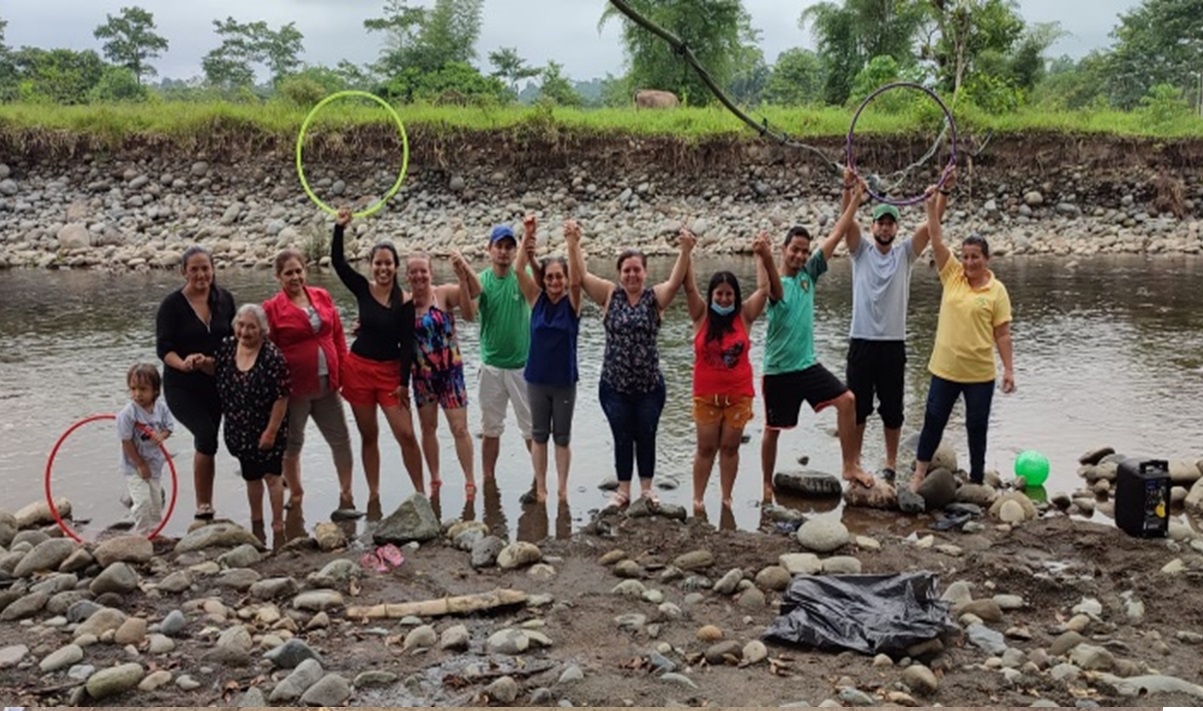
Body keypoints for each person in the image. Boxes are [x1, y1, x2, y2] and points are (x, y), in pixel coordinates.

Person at [760, 179, 872, 501]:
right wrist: (763, 256)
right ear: (784, 250)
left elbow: (837, 233)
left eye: (804, 251)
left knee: (847, 401)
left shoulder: (808, 276)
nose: (799, 255)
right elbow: (770, 285)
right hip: (779, 370)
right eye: (794, 249)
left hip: (807, 366)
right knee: (772, 430)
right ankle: (766, 484)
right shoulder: (774, 284)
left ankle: (849, 466)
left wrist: (853, 196)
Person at [843, 166, 950, 480]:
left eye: (891, 224)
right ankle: (855, 462)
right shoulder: (860, 251)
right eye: (881, 223)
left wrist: (942, 193)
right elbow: (845, 223)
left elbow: (932, 226)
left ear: (896, 228)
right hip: (861, 341)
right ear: (873, 226)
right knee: (858, 408)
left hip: (892, 343)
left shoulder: (904, 254)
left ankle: (890, 465)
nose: (886, 228)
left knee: (893, 409)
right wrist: (848, 189)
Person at [577, 225, 694, 509]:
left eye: (637, 270)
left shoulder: (655, 298)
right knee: (622, 435)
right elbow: (581, 276)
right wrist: (574, 243)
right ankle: (623, 490)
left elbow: (676, 282)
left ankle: (647, 489)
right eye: (627, 270)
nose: (632, 275)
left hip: (649, 386)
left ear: (645, 272)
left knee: (646, 434)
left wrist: (685, 250)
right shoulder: (609, 294)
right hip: (613, 385)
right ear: (619, 273)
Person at [910, 186, 1015, 493]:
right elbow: (936, 239)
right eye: (966, 256)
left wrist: (1009, 370)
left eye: (975, 257)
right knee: (933, 421)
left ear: (986, 259)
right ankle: (919, 474)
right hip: (945, 369)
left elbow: (1002, 334)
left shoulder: (997, 291)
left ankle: (977, 480)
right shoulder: (952, 275)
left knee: (976, 427)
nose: (969, 263)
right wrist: (931, 206)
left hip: (979, 374)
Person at [683, 231, 782, 516]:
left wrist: (761, 255)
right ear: (712, 295)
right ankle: (698, 499)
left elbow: (763, 289)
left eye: (729, 294)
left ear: (735, 296)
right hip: (706, 395)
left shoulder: (744, 315)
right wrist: (686, 251)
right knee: (705, 448)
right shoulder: (701, 314)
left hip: (738, 396)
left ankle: (726, 498)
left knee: (729, 448)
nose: (724, 299)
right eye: (719, 294)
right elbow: (689, 287)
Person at [331, 208, 424, 511]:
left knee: (407, 435)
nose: (383, 268)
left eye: (388, 263)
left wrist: (403, 383)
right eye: (378, 263)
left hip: (391, 374)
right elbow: (338, 262)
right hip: (358, 369)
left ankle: (421, 493)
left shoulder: (406, 301)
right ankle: (373, 495)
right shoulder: (363, 289)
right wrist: (339, 228)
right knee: (368, 435)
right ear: (371, 265)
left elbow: (408, 344)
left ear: (396, 267)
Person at [263, 248, 355, 518]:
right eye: (288, 273)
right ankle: (297, 493)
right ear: (278, 277)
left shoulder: (322, 296)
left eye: (299, 271)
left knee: (341, 440)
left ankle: (346, 492)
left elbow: (337, 335)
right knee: (293, 444)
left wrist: (344, 370)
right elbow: (268, 351)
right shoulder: (272, 308)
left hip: (328, 385)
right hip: (295, 390)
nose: (295, 277)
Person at [155, 245, 236, 520]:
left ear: (213, 269)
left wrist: (214, 363)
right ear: (184, 272)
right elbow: (164, 349)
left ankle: (259, 484)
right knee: (205, 434)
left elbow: (235, 338)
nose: (201, 275)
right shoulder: (171, 305)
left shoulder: (224, 299)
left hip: (217, 381)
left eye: (205, 268)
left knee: (218, 439)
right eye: (194, 269)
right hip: (182, 385)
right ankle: (203, 504)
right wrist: (184, 363)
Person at [514, 219, 583, 504]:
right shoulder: (536, 299)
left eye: (559, 277)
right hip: (537, 380)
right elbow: (518, 270)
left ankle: (562, 489)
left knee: (562, 437)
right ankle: (541, 488)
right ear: (543, 280)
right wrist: (527, 235)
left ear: (565, 279)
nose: (555, 282)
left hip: (564, 381)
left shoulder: (573, 302)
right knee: (539, 435)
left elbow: (578, 280)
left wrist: (572, 244)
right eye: (550, 277)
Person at [407, 249, 481, 498]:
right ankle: (435, 479)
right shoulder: (404, 304)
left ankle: (469, 481)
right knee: (428, 429)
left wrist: (463, 274)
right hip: (422, 377)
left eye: (423, 271)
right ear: (407, 276)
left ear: (430, 272)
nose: (419, 276)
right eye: (413, 272)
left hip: (450, 374)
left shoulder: (443, 294)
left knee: (459, 429)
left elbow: (473, 303)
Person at [212, 304, 291, 538]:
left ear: (262, 330)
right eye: (241, 325)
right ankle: (257, 524)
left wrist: (271, 431)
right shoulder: (227, 347)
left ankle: (278, 526)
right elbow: (215, 368)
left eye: (251, 327)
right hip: (239, 428)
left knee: (272, 476)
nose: (244, 332)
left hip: (267, 427)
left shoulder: (272, 356)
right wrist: (199, 362)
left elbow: (282, 397)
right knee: (251, 476)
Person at [475, 222, 535, 486]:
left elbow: (527, 264)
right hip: (491, 367)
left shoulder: (522, 276)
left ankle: (540, 479)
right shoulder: (482, 281)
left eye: (509, 247)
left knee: (531, 429)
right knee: (490, 429)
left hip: (522, 366)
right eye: (499, 246)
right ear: (489, 249)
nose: (503, 252)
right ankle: (488, 480)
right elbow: (468, 311)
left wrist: (529, 235)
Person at [117, 363, 174, 533]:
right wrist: (140, 464)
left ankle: (154, 531)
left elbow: (169, 428)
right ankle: (142, 534)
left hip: (154, 462)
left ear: (155, 391)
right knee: (143, 502)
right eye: (133, 389)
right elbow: (126, 441)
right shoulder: (128, 413)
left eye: (143, 389)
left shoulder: (161, 408)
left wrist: (161, 435)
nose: (137, 394)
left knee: (156, 502)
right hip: (134, 465)